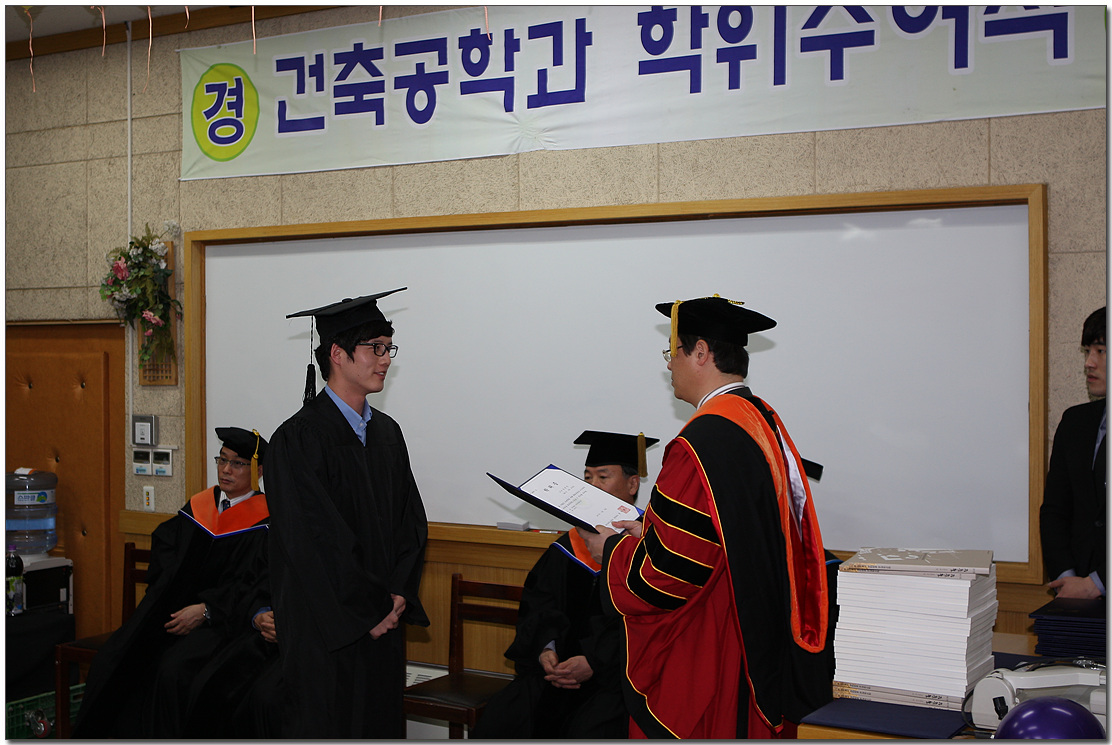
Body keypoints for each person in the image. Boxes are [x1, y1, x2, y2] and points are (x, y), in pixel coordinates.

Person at [582, 295, 831, 739]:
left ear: (700, 352)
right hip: (758, 621)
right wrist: (651, 530)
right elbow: (720, 531)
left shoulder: (702, 441)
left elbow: (670, 573)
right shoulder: (759, 420)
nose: (668, 365)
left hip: (718, 637)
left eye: (672, 352)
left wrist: (614, 550)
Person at [265, 288, 429, 738]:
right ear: (337, 354)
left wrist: (398, 594)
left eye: (388, 348)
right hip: (327, 629)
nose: (385, 359)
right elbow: (313, 541)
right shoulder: (298, 439)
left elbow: (411, 524)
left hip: (383, 621)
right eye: (375, 348)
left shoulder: (388, 433)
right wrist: (368, 610)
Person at [72, 427, 271, 738]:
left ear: (257, 471)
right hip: (178, 610)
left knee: (172, 670)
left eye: (237, 464)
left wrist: (206, 610)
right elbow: (166, 544)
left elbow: (256, 583)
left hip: (223, 623)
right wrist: (170, 594)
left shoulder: (266, 521)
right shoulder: (200, 506)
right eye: (222, 460)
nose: (226, 470)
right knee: (114, 658)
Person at [473, 430, 659, 739]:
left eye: (603, 477)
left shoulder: (650, 549)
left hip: (615, 681)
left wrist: (594, 662)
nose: (592, 485)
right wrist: (546, 649)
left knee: (588, 730)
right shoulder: (567, 547)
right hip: (555, 673)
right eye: (587, 477)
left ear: (632, 484)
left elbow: (647, 624)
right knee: (500, 721)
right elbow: (539, 604)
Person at [1040, 306, 1107, 599]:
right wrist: (1066, 579)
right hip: (1072, 594)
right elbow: (1055, 510)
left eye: (1101, 351)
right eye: (1087, 351)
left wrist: (1096, 584)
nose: (1089, 363)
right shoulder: (1075, 422)